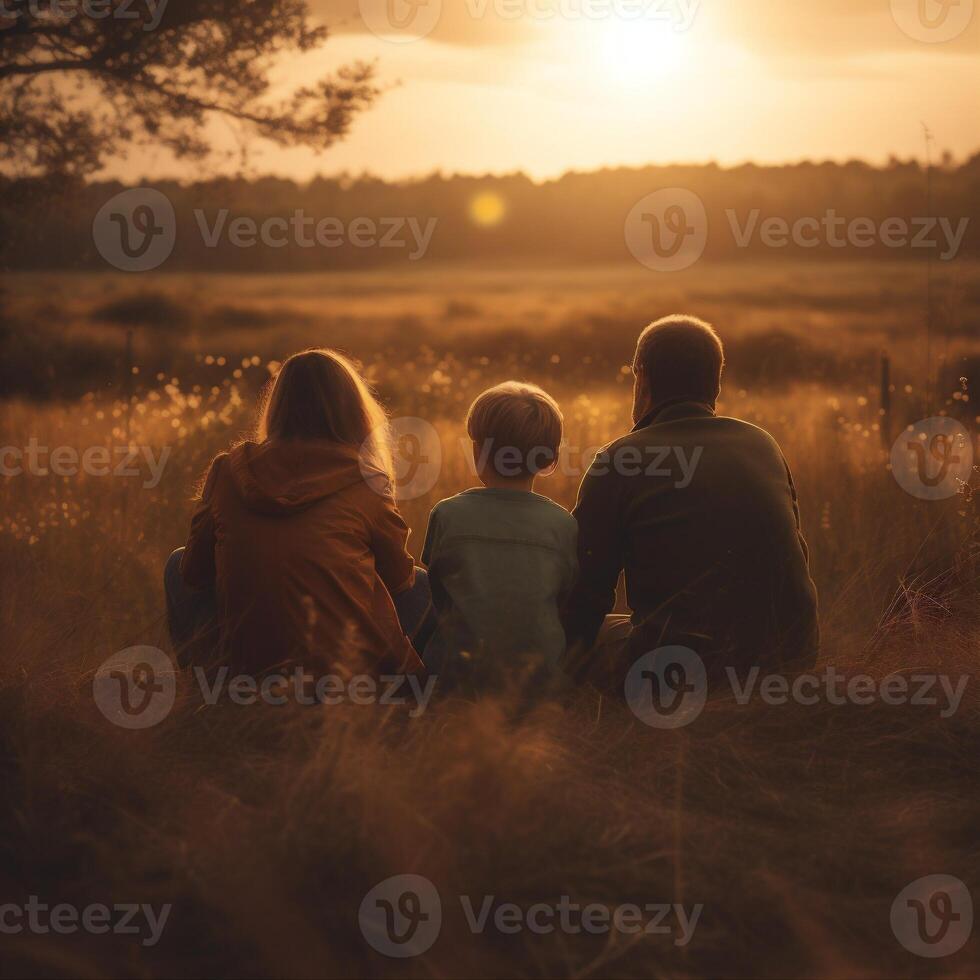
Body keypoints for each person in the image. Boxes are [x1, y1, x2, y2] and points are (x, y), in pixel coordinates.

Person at [562, 315, 819, 690]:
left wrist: (559, 680)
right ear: (715, 379)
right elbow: (794, 557)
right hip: (791, 662)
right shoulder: (761, 443)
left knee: (596, 631)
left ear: (643, 377)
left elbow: (583, 593)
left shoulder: (621, 458)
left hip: (682, 674)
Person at [164, 348, 432, 677]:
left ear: (277, 407)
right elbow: (400, 579)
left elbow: (192, 573)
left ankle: (207, 683)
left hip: (247, 668)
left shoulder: (228, 470)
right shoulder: (367, 479)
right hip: (346, 671)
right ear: (355, 411)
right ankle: (417, 692)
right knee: (423, 584)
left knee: (175, 563)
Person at [421, 382, 578, 690]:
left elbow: (439, 597)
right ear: (549, 458)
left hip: (459, 684)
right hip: (539, 686)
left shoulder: (447, 514)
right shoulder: (563, 525)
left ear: (478, 451)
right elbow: (563, 600)